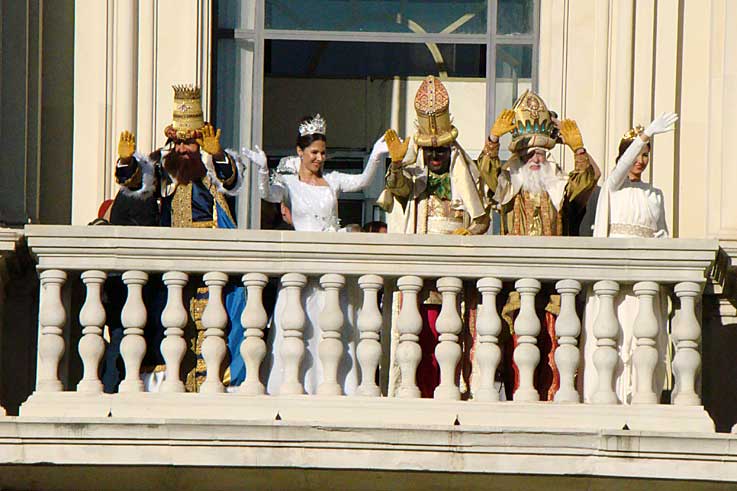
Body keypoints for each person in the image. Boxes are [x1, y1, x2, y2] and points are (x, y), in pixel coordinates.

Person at [242, 114, 389, 395]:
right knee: (301, 325)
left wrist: (375, 155)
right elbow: (268, 194)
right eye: (314, 152)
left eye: (323, 153)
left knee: (333, 327)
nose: (319, 158)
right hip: (303, 265)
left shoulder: (332, 181)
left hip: (331, 266)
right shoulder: (290, 184)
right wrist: (262, 169)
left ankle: (335, 384)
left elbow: (362, 181)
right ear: (300, 151)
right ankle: (297, 384)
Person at [114, 85, 247, 392]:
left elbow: (231, 180)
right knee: (168, 330)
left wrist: (217, 154)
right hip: (170, 269)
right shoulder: (160, 167)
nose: (185, 150)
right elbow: (135, 181)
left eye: (191, 143)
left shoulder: (210, 166)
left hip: (210, 269)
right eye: (180, 143)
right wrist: (126, 162)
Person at [477, 90, 599, 400]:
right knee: (517, 353)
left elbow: (587, 180)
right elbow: (486, 173)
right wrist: (492, 140)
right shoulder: (510, 183)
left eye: (541, 153)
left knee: (553, 353)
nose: (536, 159)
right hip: (517, 289)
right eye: (529, 153)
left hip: (554, 289)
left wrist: (578, 148)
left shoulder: (557, 185)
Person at [377, 75, 491, 399]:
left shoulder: (463, 177)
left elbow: (481, 219)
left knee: (452, 341)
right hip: (422, 281)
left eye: (441, 149)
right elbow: (397, 190)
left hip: (455, 278)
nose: (435, 156)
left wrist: (469, 232)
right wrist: (396, 164)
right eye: (429, 150)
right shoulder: (415, 178)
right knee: (421, 341)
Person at [580, 112, 678, 404]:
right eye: (636, 154)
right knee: (616, 336)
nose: (641, 160)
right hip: (616, 278)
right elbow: (618, 170)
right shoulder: (613, 187)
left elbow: (662, 233)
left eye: (646, 155)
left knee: (643, 340)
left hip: (644, 280)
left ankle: (639, 395)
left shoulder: (654, 194)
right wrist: (645, 135)